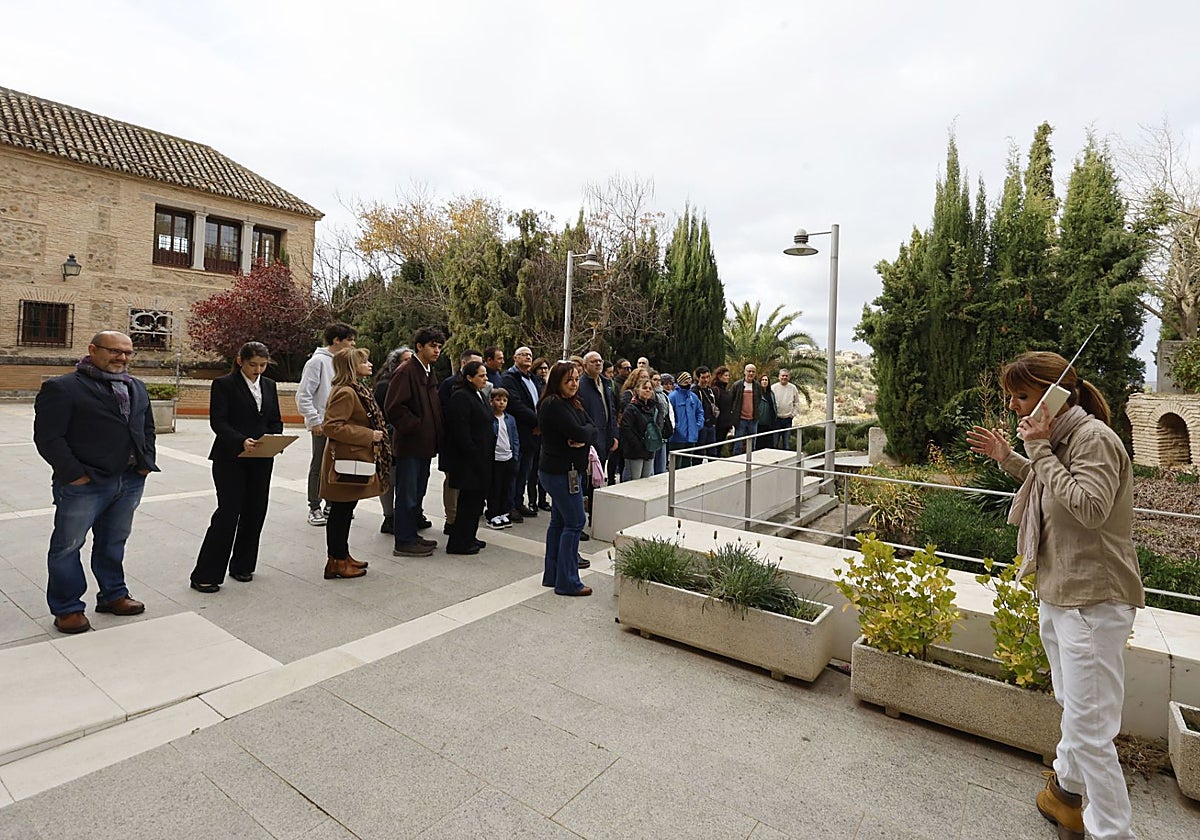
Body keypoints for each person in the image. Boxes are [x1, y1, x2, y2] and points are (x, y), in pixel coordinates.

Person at [967, 352, 1144, 840]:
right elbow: (1048, 485)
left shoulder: (1094, 440)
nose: (1014, 406)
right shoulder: (1061, 440)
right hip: (1060, 590)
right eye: (1012, 397)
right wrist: (1011, 457)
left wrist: (1039, 450)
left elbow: (1088, 507)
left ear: (1054, 394)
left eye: (1022, 395)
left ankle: (1111, 831)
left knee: (1091, 729)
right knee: (1075, 705)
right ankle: (1066, 795)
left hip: (1093, 601)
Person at [34, 330, 158, 633]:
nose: (122, 358)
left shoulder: (136, 387)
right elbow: (48, 438)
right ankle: (67, 608)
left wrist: (144, 463)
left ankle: (113, 594)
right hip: (85, 484)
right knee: (68, 545)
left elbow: (146, 427)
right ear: (92, 349)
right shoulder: (63, 388)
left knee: (114, 541)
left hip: (128, 481)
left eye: (128, 352)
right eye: (114, 351)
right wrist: (75, 475)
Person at [189, 341, 282, 593]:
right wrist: (241, 440)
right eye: (253, 365)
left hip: (261, 458)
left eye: (263, 365)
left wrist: (275, 439)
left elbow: (275, 420)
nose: (258, 370)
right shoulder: (224, 384)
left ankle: (243, 565)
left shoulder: (269, 385)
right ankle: (205, 574)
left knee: (255, 512)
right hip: (230, 457)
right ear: (240, 361)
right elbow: (218, 422)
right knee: (228, 513)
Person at [320, 347, 392, 580]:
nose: (370, 365)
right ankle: (336, 561)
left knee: (345, 509)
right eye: (364, 362)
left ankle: (342, 556)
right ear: (352, 367)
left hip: (352, 457)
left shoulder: (356, 389)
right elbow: (332, 426)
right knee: (340, 511)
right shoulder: (346, 392)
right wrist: (368, 435)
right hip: (345, 460)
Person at [537, 361, 597, 596]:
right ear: (557, 382)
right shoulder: (553, 404)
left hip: (566, 470)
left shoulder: (571, 402)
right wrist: (583, 434)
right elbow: (580, 431)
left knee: (560, 522)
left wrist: (585, 434)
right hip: (560, 472)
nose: (574, 384)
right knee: (575, 522)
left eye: (576, 379)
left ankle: (553, 575)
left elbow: (591, 427)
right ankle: (568, 581)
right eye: (569, 380)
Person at [385, 326, 445, 557]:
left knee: (417, 493)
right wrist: (418, 427)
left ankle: (412, 534)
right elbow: (394, 408)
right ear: (419, 346)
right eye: (432, 346)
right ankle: (404, 540)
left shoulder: (427, 371)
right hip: (411, 444)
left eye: (439, 346)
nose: (437, 350)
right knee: (407, 494)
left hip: (424, 446)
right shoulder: (407, 371)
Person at [296, 323, 357, 526]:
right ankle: (314, 506)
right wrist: (314, 420)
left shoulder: (342, 363)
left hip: (339, 424)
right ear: (336, 340)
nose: (353, 344)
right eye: (349, 340)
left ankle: (332, 502)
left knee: (335, 464)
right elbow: (304, 395)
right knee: (319, 465)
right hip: (322, 424)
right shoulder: (318, 362)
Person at [443, 361, 495, 554]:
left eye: (485, 375)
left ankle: (469, 536)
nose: (485, 379)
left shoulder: (479, 394)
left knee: (477, 502)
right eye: (481, 376)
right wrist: (473, 451)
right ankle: (459, 541)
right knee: (468, 502)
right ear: (469, 378)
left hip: (482, 456)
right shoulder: (461, 397)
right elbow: (460, 431)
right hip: (469, 460)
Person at [438, 349, 483, 536]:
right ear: (465, 365)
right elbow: (448, 415)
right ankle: (452, 518)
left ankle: (464, 521)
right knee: (453, 482)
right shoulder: (450, 386)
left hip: (474, 446)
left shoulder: (480, 388)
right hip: (455, 445)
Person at [500, 346, 542, 522]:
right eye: (524, 354)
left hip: (534, 432)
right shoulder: (510, 378)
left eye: (530, 355)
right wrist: (538, 421)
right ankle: (509, 506)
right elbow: (515, 405)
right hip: (519, 431)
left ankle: (518, 502)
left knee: (525, 470)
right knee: (514, 471)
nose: (528, 357)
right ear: (515, 358)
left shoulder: (533, 379)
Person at [372, 346, 411, 534]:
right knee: (390, 479)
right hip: (389, 439)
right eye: (405, 360)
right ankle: (389, 516)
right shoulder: (385, 385)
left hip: (407, 440)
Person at [578, 351, 617, 527]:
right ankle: (581, 519)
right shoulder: (581, 386)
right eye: (594, 361)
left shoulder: (605, 383)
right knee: (586, 482)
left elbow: (612, 411)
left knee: (598, 480)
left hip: (605, 437)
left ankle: (595, 517)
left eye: (600, 361)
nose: (598, 364)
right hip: (589, 440)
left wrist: (614, 434)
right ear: (585, 365)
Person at [619, 374, 664, 480]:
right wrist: (638, 445)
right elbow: (626, 428)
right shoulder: (631, 408)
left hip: (650, 448)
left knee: (646, 479)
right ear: (637, 390)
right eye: (644, 388)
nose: (647, 390)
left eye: (650, 388)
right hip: (635, 451)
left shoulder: (655, 407)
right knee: (634, 479)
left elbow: (659, 424)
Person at [486, 387, 519, 529]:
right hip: (495, 459)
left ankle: (504, 512)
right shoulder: (488, 418)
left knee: (507, 487)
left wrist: (515, 455)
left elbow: (515, 438)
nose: (501, 403)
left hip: (509, 457)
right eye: (498, 400)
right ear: (491, 401)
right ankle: (493, 514)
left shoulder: (510, 419)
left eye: (504, 400)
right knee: (495, 488)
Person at [667, 371, 704, 469]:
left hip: (691, 436)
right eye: (685, 381)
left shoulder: (693, 397)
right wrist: (676, 427)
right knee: (676, 465)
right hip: (677, 437)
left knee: (687, 464)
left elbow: (700, 411)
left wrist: (698, 425)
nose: (688, 383)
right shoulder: (672, 396)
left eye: (689, 381)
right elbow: (669, 414)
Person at [529, 356, 552, 511]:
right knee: (533, 470)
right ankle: (532, 500)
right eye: (540, 368)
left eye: (545, 368)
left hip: (547, 433)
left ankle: (542, 499)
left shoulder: (548, 386)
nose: (543, 371)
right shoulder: (533, 384)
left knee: (543, 468)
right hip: (535, 430)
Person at [729, 363, 762, 455]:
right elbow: (732, 400)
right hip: (740, 420)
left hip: (753, 420)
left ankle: (751, 463)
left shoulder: (757, 386)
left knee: (752, 444)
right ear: (744, 372)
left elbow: (759, 400)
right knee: (738, 444)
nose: (751, 373)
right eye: (749, 371)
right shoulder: (737, 385)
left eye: (753, 372)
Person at [693, 366, 719, 463]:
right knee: (699, 451)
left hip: (711, 424)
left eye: (708, 377)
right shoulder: (695, 391)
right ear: (698, 378)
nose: (706, 380)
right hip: (702, 425)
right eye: (703, 377)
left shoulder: (711, 390)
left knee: (712, 451)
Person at [772, 369, 801, 450]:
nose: (784, 377)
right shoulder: (773, 388)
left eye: (786, 376)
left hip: (788, 420)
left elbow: (797, 403)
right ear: (779, 377)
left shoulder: (793, 388)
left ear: (789, 377)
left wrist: (793, 414)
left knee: (786, 444)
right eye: (782, 375)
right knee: (774, 443)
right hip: (776, 419)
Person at [713, 365, 734, 457]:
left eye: (728, 375)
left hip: (726, 423)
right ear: (719, 376)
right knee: (715, 447)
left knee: (720, 446)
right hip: (718, 424)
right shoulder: (715, 390)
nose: (727, 377)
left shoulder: (727, 390)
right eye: (725, 375)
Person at [757, 374, 778, 450]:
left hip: (770, 423)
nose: (764, 381)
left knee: (769, 444)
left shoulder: (771, 393)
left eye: (766, 380)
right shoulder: (757, 393)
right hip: (760, 423)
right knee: (760, 444)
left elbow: (774, 405)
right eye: (762, 380)